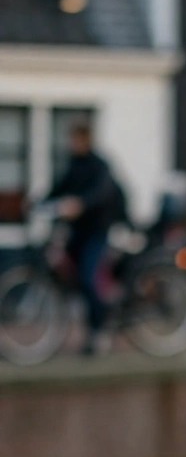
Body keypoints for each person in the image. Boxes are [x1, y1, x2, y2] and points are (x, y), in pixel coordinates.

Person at [45, 120, 124, 354]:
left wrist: (81, 203)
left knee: (90, 279)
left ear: (86, 140)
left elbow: (101, 192)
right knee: (75, 279)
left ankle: (101, 328)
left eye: (76, 139)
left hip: (97, 231)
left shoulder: (99, 166)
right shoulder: (73, 165)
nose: (72, 144)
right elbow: (59, 188)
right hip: (77, 232)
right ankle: (91, 327)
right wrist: (39, 202)